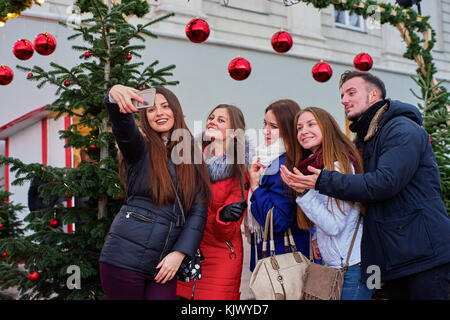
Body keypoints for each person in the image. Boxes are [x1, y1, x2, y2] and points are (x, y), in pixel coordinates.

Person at [284, 70, 450, 300]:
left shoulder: (401, 129)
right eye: (342, 95)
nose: (344, 100)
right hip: (396, 257)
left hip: (424, 254)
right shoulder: (367, 138)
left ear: (373, 95)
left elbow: (384, 182)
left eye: (351, 93)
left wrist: (322, 180)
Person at [99, 84, 211, 300]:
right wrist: (113, 96)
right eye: (151, 109)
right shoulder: (139, 149)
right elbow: (123, 126)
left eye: (165, 106)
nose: (159, 112)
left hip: (164, 266)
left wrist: (180, 253)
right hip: (123, 261)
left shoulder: (191, 156)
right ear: (145, 117)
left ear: (175, 111)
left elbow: (198, 211)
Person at [280, 106, 374, 300]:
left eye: (311, 124)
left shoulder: (338, 164)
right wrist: (317, 238)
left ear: (327, 127)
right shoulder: (315, 164)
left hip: (353, 267)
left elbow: (334, 225)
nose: (303, 131)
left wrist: (304, 193)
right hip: (337, 265)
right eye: (299, 127)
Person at [176, 104, 250, 300]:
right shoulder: (190, 157)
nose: (212, 121)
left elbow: (226, 232)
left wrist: (225, 218)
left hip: (220, 254)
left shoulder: (239, 167)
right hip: (187, 248)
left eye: (221, 120)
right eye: (211, 117)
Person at [245, 99, 310, 272]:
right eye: (265, 123)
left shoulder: (285, 165)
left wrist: (255, 186)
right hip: (274, 256)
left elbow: (278, 221)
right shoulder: (267, 158)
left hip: (283, 259)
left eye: (273, 126)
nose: (265, 130)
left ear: (288, 129)